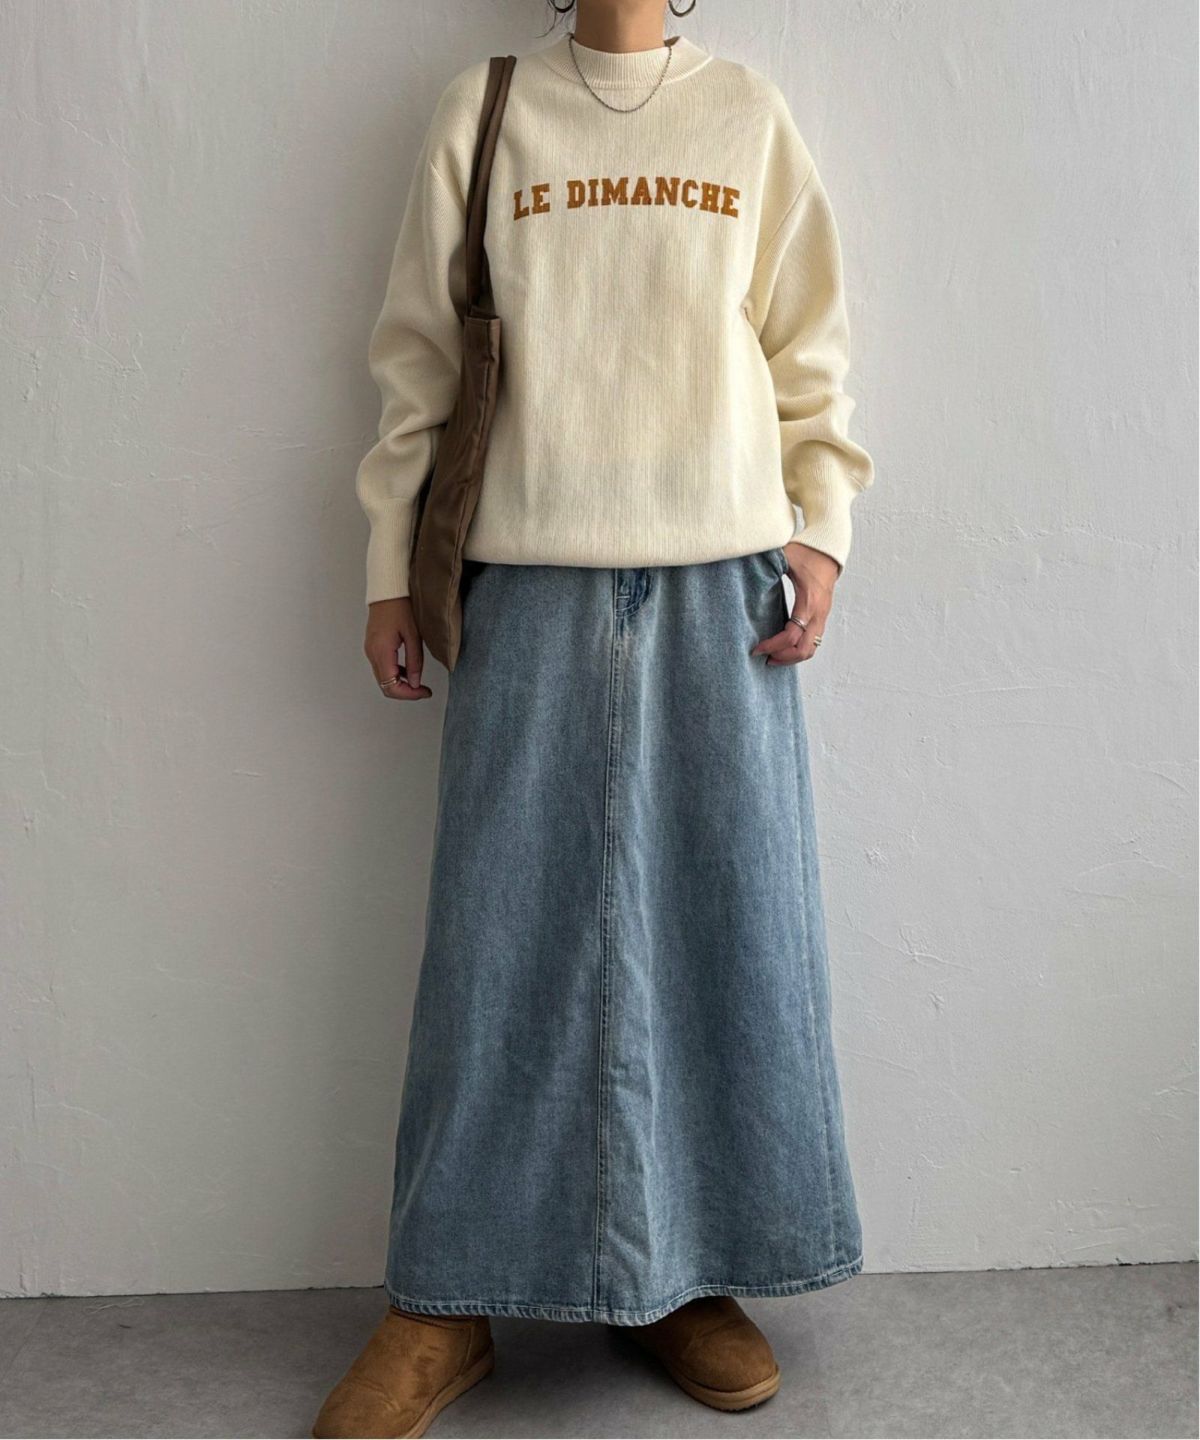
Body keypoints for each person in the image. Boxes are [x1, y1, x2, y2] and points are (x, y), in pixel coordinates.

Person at [314, 1, 874, 1434]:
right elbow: (418, 359)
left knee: (725, 930)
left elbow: (807, 347)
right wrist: (387, 566)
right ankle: (445, 1298)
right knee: (497, 944)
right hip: (525, 582)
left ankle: (690, 1273)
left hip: (723, 588)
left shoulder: (746, 115)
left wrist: (821, 528)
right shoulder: (486, 108)